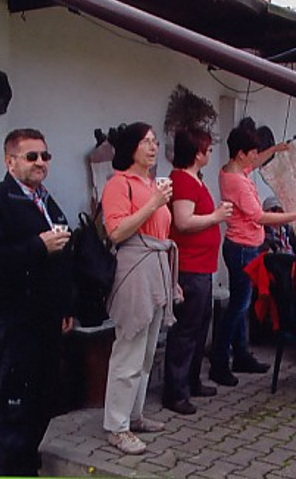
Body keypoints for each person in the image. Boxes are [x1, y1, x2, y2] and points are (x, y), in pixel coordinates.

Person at [0, 128, 72, 476]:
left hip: (45, 322)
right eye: (32, 156)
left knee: (42, 404)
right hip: (14, 326)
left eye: (45, 156)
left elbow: (58, 260)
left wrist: (65, 307)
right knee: (15, 412)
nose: (41, 162)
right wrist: (36, 247)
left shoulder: (44, 200)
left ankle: (26, 466)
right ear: (9, 161)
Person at [209, 117, 296, 387]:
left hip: (242, 245)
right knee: (238, 306)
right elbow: (260, 217)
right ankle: (220, 362)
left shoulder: (231, 169)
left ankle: (241, 355)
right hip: (243, 247)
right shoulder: (239, 183)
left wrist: (275, 150)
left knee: (241, 305)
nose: (255, 157)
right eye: (252, 152)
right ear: (241, 153)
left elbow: (253, 163)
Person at [102, 122, 179, 455]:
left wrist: (171, 281)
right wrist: (154, 202)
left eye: (155, 141)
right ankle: (116, 427)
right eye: (146, 142)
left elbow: (161, 234)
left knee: (147, 352)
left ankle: (134, 415)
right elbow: (116, 232)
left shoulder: (150, 184)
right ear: (131, 148)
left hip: (156, 266)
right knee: (129, 349)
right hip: (134, 268)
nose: (153, 147)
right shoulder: (119, 184)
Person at [163, 127, 233, 415]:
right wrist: (216, 217)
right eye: (207, 148)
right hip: (189, 266)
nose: (210, 152)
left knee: (199, 325)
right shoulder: (182, 180)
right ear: (197, 153)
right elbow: (183, 222)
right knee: (186, 330)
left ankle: (191, 380)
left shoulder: (194, 180)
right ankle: (175, 391)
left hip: (202, 265)